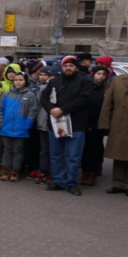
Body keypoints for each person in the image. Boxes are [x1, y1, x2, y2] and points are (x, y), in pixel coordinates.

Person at [40, 55, 94, 195]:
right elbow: (44, 97)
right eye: (65, 65)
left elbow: (83, 100)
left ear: (76, 67)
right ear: (62, 67)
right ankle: (58, 180)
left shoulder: (85, 81)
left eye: (71, 66)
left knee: (72, 156)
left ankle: (71, 183)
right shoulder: (54, 82)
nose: (68, 68)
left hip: (76, 125)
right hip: (56, 124)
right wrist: (51, 109)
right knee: (56, 155)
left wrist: (62, 110)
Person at [98, 54, 128, 196]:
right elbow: (108, 104)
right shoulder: (118, 80)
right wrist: (104, 124)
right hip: (119, 124)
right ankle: (118, 183)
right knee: (118, 156)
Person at [0, 71, 38, 181]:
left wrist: (27, 125)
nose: (18, 82)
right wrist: (1, 123)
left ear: (25, 81)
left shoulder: (30, 95)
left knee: (18, 150)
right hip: (6, 127)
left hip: (21, 128)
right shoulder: (7, 94)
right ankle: (7, 169)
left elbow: (32, 111)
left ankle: (15, 170)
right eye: (16, 80)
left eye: (20, 80)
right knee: (7, 149)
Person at [79, 64, 111, 187]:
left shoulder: (107, 90)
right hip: (85, 123)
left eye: (103, 75)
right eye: (99, 74)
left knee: (95, 149)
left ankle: (92, 173)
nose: (101, 77)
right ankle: (84, 172)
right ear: (93, 75)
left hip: (99, 125)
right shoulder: (87, 88)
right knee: (85, 148)